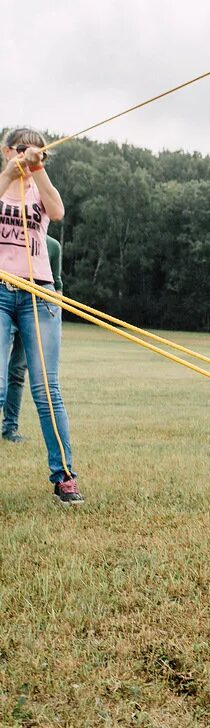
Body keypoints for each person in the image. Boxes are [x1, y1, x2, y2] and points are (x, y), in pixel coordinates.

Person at [0, 128, 82, 505]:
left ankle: (64, 477)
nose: (28, 156)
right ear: (5, 150)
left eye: (37, 152)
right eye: (20, 149)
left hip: (40, 294)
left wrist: (37, 169)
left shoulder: (38, 188)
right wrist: (11, 172)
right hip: (1, 292)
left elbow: (59, 212)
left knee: (46, 390)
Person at [3, 234, 63, 443]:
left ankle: (10, 428)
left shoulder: (53, 246)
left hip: (35, 312)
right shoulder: (10, 235)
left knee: (18, 371)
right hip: (6, 306)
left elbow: (56, 284)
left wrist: (54, 319)